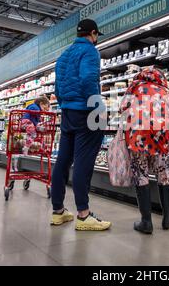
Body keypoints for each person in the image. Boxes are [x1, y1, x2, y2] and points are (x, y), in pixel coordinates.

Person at [50, 19, 111, 231]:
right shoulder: (91, 52)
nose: (96, 40)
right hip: (85, 112)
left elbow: (57, 88)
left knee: (63, 161)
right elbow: (87, 80)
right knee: (83, 163)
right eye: (96, 36)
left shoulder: (64, 55)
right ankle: (84, 215)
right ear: (93, 33)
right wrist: (98, 107)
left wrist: (65, 104)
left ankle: (58, 211)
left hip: (67, 112)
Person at [119, 66, 169, 234]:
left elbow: (122, 110)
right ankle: (167, 218)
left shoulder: (134, 88)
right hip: (160, 138)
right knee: (162, 174)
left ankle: (146, 222)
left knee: (141, 174)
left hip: (138, 137)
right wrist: (168, 141)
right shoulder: (166, 92)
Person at [10, 96, 50, 173]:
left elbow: (35, 121)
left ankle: (27, 146)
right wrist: (39, 112)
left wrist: (39, 125)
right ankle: (26, 147)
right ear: (41, 103)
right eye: (46, 107)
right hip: (26, 122)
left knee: (33, 133)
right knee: (33, 134)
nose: (46, 110)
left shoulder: (36, 112)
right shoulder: (35, 106)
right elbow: (33, 110)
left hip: (29, 124)